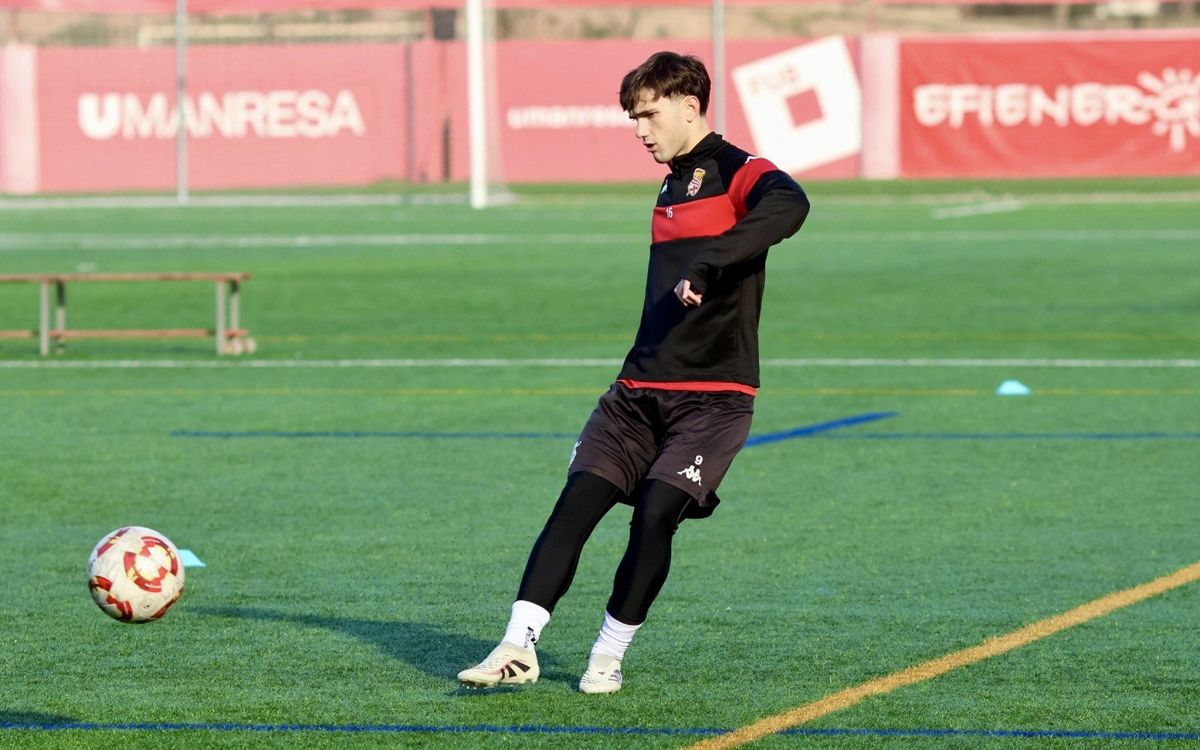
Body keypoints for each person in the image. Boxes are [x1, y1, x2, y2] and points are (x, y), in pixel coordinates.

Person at [457, 51, 810, 694]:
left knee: (653, 515)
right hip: (635, 393)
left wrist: (709, 264)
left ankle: (608, 653)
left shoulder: (742, 172)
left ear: (689, 105)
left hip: (713, 399)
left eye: (648, 114)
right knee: (574, 507)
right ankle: (517, 647)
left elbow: (792, 204)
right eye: (633, 117)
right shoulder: (672, 179)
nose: (640, 129)